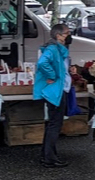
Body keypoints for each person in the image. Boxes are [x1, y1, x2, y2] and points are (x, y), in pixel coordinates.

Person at [33, 24, 71, 168]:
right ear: (58, 36)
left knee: (52, 124)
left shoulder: (58, 49)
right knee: (55, 124)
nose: (68, 35)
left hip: (58, 90)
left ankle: (47, 155)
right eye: (66, 33)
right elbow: (42, 63)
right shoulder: (52, 49)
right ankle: (50, 158)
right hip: (55, 92)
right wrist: (52, 76)